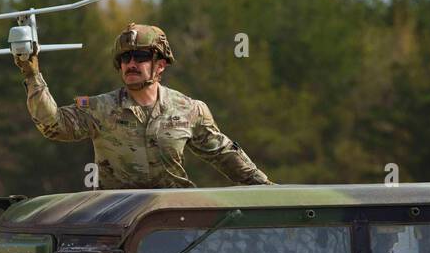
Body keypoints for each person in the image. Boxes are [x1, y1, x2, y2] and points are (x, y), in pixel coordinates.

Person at [15, 22, 273, 189]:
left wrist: (268, 191)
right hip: (119, 221)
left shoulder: (189, 109)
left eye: (140, 56)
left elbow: (224, 154)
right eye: (125, 58)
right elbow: (53, 125)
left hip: (174, 220)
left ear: (160, 65)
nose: (131, 63)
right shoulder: (99, 109)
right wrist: (31, 74)